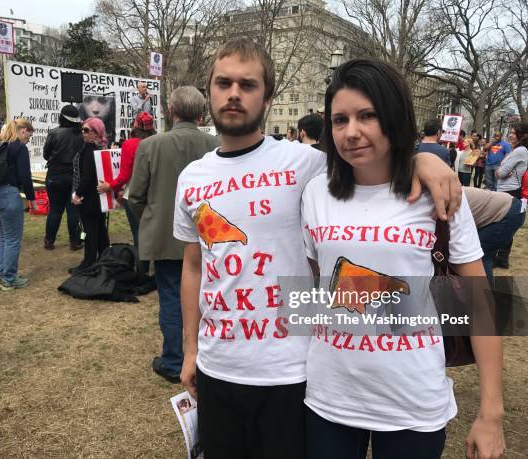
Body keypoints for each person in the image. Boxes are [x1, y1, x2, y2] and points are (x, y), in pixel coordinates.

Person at [174, 38, 462, 459]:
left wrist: (422, 158)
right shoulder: (191, 178)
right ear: (209, 91)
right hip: (218, 366)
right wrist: (190, 350)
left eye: (248, 85)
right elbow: (193, 266)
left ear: (267, 97)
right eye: (224, 83)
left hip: (292, 369)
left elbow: (372, 160)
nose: (234, 93)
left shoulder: (306, 163)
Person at [301, 57, 503, 459]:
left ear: (394, 116)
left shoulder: (439, 194)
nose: (352, 132)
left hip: (412, 404)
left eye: (367, 115)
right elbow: (317, 289)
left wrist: (491, 413)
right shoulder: (314, 194)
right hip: (328, 401)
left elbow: (480, 304)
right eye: (339, 120)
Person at [129, 86, 219, 383]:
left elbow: (136, 196)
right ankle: (205, 357)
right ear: (202, 113)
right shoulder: (215, 144)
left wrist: (154, 222)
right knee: (209, 297)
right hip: (208, 237)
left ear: (171, 111)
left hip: (167, 237)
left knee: (170, 297)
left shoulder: (150, 146)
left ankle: (173, 359)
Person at [97, 111, 156, 274]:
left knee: (138, 232)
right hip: (155, 195)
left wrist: (111, 186)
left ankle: (142, 269)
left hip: (134, 194)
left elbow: (124, 176)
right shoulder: (158, 142)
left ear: (135, 125)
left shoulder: (130, 144)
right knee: (155, 231)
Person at [0, 119, 37, 291]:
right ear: (22, 131)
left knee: (4, 236)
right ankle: (9, 278)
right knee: (12, 238)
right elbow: (25, 176)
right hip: (7, 194)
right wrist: (31, 198)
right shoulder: (19, 148)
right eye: (29, 133)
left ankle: (3, 274)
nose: (29, 137)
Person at [463, 187, 525, 285]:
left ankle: (485, 294)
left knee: (480, 255)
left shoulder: (449, 200)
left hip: (509, 211)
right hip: (507, 206)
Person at [71, 117, 110, 273]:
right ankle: (104, 259)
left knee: (89, 232)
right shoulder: (99, 149)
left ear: (96, 133)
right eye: (82, 129)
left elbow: (87, 177)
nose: (83, 133)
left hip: (89, 199)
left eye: (87, 130)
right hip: (98, 198)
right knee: (99, 230)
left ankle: (88, 263)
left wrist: (77, 194)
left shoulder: (89, 150)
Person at [43, 105, 84, 251]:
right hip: (74, 176)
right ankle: (75, 242)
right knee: (73, 210)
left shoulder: (54, 133)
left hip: (55, 175)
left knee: (55, 209)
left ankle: (49, 241)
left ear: (61, 117)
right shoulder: (81, 135)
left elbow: (46, 155)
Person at [493, 123, 528, 269]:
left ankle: (501, 258)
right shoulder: (516, 150)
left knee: (503, 225)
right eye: (511, 132)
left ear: (522, 136)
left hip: (510, 191)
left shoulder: (520, 150)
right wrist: (501, 170)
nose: (511, 135)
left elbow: (500, 173)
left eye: (514, 133)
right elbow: (502, 171)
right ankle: (500, 257)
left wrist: (500, 170)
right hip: (505, 190)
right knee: (502, 224)